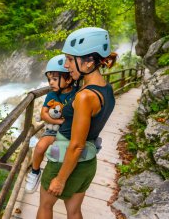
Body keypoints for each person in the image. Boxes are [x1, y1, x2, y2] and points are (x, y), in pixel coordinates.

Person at [37, 27, 117, 219]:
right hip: (88, 164)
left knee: (45, 207)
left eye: (71, 59)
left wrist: (60, 179)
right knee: (74, 211)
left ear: (89, 62)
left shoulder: (84, 96)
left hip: (65, 162)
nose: (66, 65)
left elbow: (76, 144)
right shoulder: (106, 89)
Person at [25, 54, 77, 193]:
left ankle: (64, 176)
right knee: (40, 146)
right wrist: (59, 121)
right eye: (49, 79)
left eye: (55, 79)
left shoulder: (77, 93)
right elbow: (43, 114)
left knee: (65, 152)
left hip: (71, 131)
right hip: (54, 130)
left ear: (69, 78)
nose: (51, 83)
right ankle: (35, 172)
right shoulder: (51, 95)